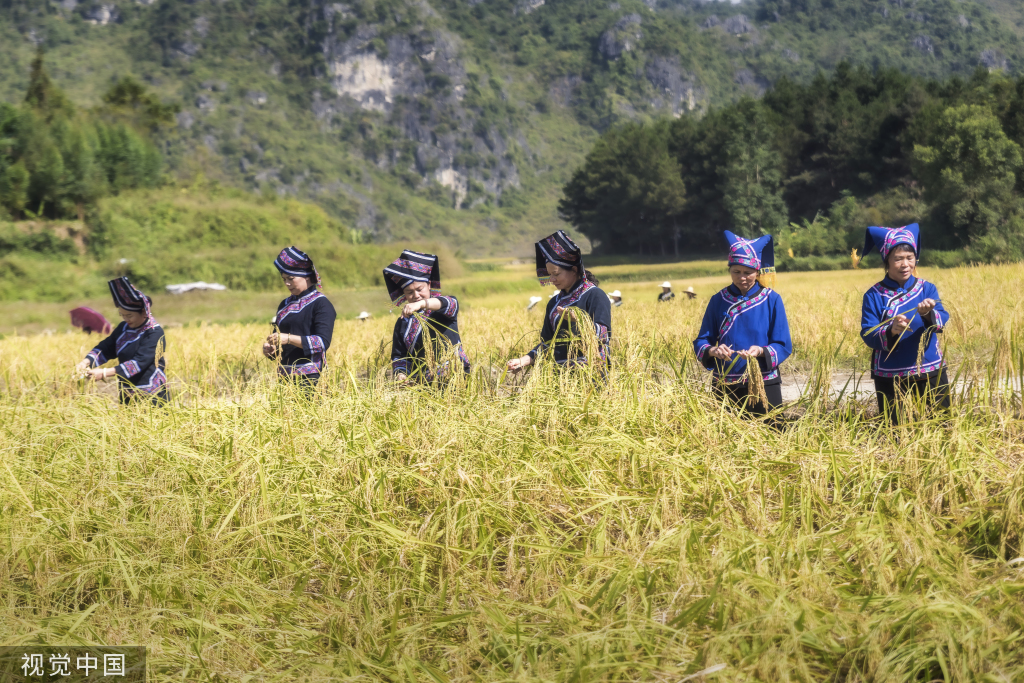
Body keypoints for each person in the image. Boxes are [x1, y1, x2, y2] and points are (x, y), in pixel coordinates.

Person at [693, 231, 792, 417]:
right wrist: (713, 351)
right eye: (736, 272)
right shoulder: (718, 300)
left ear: (757, 271)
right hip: (725, 381)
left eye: (748, 273)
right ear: (729, 270)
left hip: (763, 380)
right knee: (726, 438)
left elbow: (783, 344)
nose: (742, 277)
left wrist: (761, 351)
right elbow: (702, 340)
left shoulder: (772, 300)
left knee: (771, 435)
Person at [860, 224, 950, 424]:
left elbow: (943, 317)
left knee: (941, 426)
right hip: (890, 373)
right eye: (898, 258)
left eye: (910, 258)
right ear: (887, 261)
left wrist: (929, 314)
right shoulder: (874, 295)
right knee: (896, 431)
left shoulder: (927, 288)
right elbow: (868, 333)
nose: (905, 264)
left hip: (929, 367)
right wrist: (891, 331)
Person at [508, 230, 611, 373]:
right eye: (549, 274)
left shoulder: (595, 295)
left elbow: (604, 334)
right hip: (560, 376)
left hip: (591, 374)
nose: (552, 279)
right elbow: (548, 344)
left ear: (574, 270)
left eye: (556, 274)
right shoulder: (554, 303)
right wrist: (524, 360)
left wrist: (579, 321)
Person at [74, 277, 168, 404]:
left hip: (152, 392)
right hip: (127, 389)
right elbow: (106, 348)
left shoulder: (154, 333)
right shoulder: (123, 328)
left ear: (144, 313)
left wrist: (105, 372)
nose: (126, 319)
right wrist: (86, 362)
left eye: (129, 315)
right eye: (122, 315)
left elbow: (139, 362)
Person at [383, 249, 470, 382]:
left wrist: (421, 304)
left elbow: (451, 303)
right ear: (404, 294)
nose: (416, 295)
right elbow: (400, 357)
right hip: (423, 383)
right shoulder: (403, 322)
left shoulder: (442, 309)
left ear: (429, 285)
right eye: (409, 292)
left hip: (455, 377)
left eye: (419, 289)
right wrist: (401, 375)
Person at [262, 247, 337, 389]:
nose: (287, 283)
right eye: (284, 279)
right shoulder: (284, 305)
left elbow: (321, 342)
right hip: (285, 378)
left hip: (311, 378)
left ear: (306, 276)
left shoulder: (321, 304)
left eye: (291, 278)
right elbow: (278, 341)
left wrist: (289, 338)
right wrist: (271, 350)